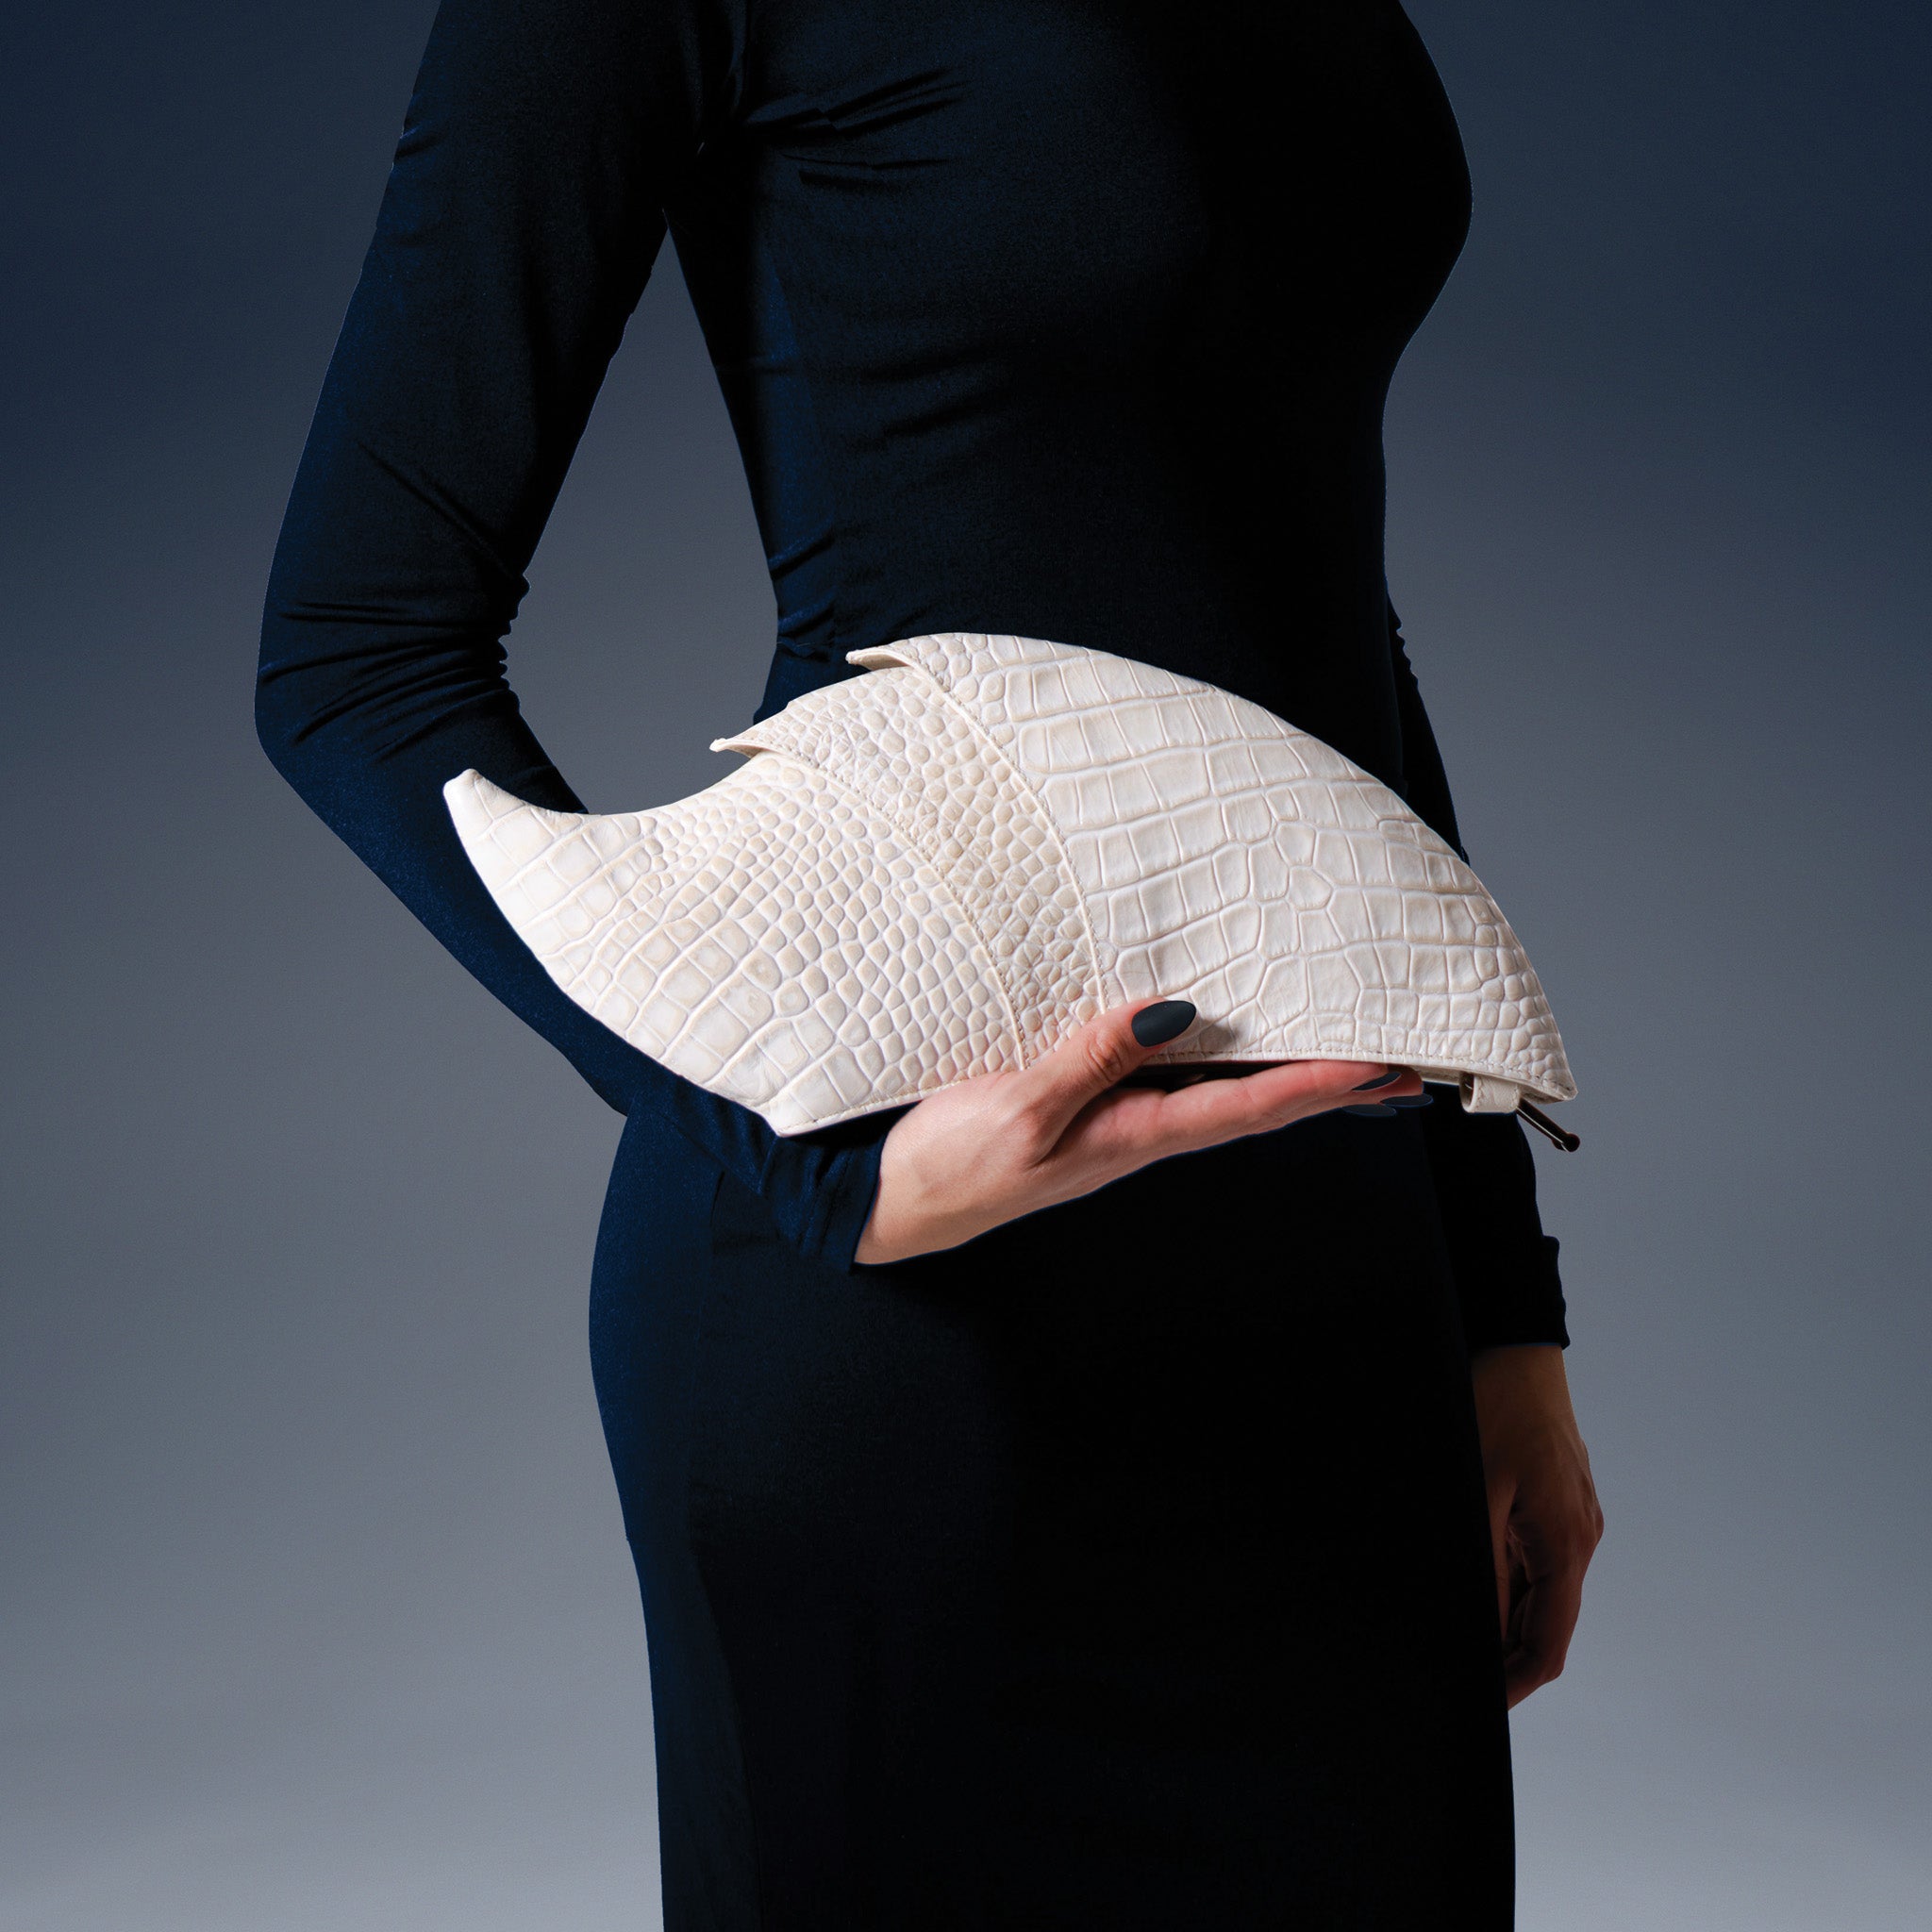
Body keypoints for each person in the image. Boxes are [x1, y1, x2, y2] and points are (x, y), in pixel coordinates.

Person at [257, 0, 1604, 1923]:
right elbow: (352, 655)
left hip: (1334, 1297)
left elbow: (1318, 633)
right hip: (921, 1336)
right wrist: (813, 1161)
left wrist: (1501, 1310)